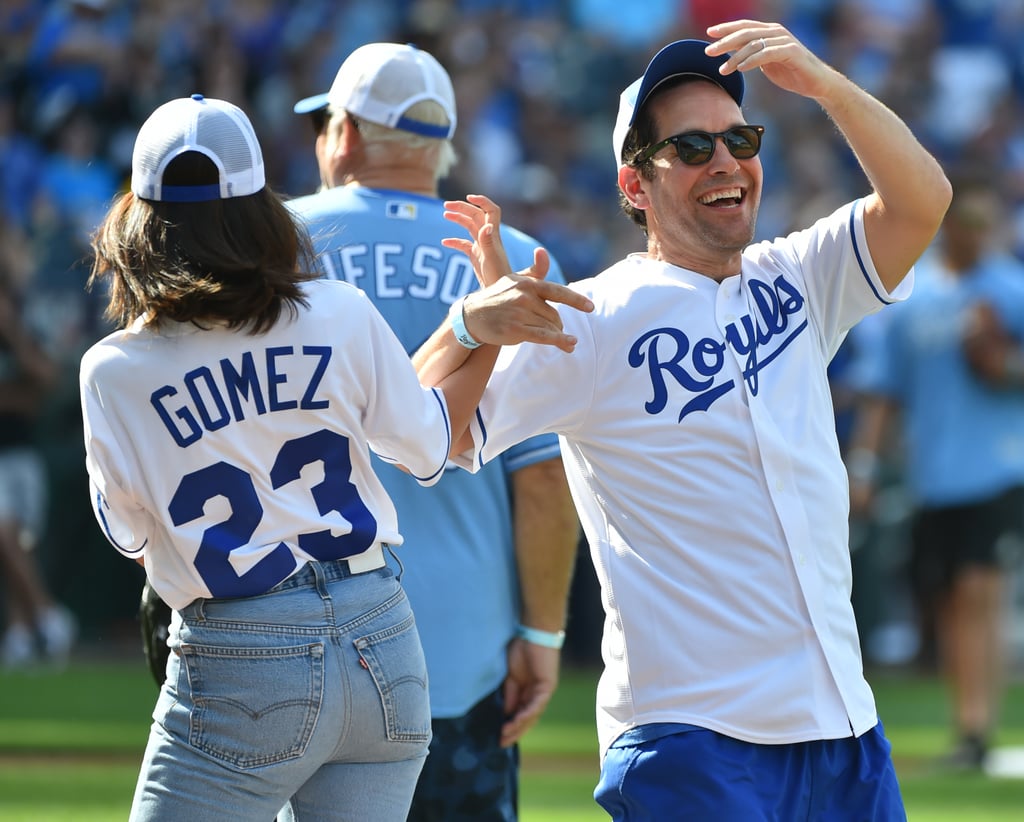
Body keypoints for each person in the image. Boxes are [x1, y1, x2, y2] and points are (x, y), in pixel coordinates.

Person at [415, 19, 952, 821]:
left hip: (842, 724)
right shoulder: (593, 317)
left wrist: (825, 84)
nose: (727, 160)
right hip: (692, 737)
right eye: (693, 148)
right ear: (636, 186)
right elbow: (424, 430)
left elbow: (922, 201)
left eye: (741, 137)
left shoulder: (800, 274)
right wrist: (471, 328)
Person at [78, 93, 591, 822]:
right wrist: (472, 330)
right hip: (381, 638)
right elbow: (430, 443)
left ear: (139, 220)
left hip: (239, 648)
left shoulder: (115, 368)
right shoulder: (338, 310)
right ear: (262, 208)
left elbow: (131, 537)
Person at [287, 42, 580, 821]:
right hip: (461, 657)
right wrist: (540, 635)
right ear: (440, 147)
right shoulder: (512, 258)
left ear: (343, 134)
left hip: (299, 646)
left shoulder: (271, 245)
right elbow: (545, 476)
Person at [848, 171, 1024, 770]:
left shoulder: (1012, 290)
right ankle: (968, 729)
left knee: (978, 590)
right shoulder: (914, 302)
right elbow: (883, 394)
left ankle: (978, 728)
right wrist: (865, 466)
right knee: (948, 599)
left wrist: (1003, 364)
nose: (971, 233)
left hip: (1000, 468)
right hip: (935, 475)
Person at [0, 216, 76, 668]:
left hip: (22, 452)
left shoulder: (21, 323)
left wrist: (11, 330)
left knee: (20, 545)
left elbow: (44, 382)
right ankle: (49, 616)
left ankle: (23, 632)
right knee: (5, 533)